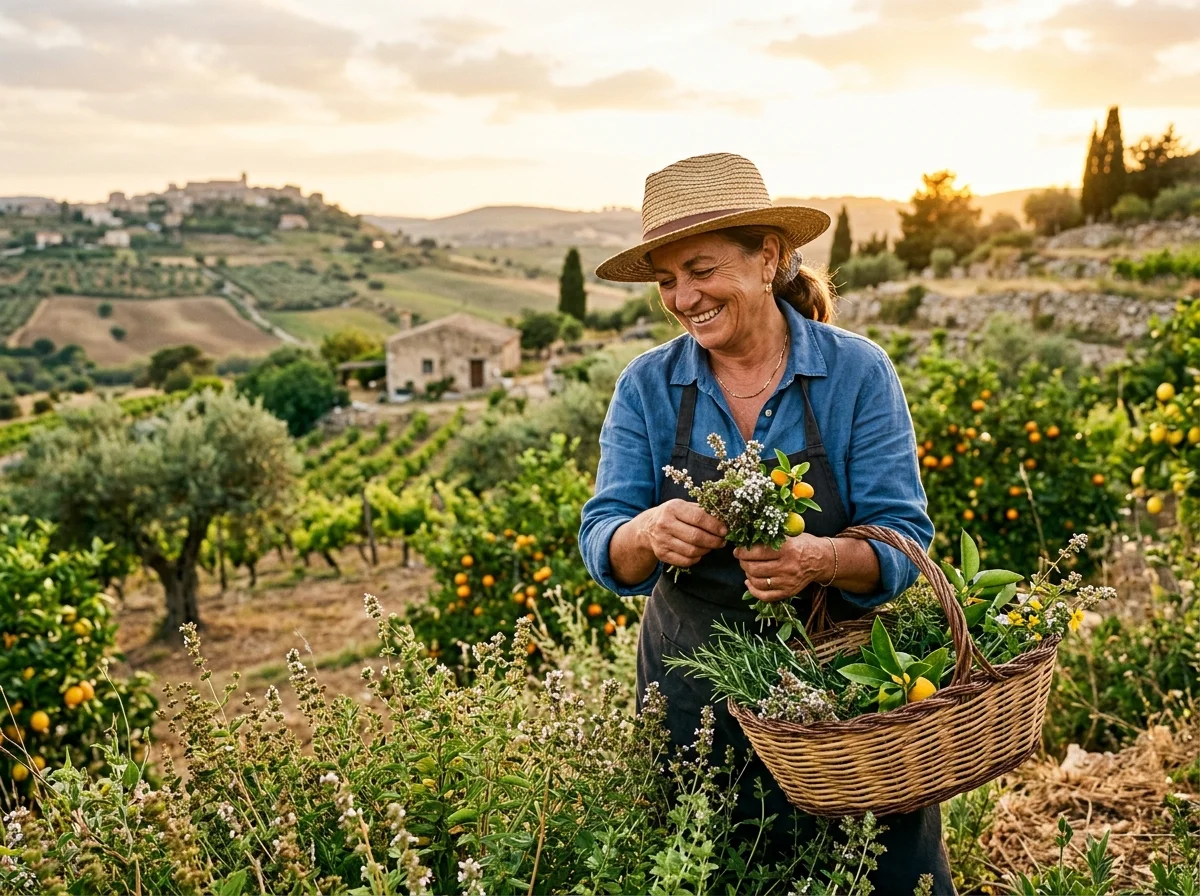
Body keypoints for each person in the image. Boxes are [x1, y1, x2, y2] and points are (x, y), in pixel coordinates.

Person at [578, 153, 950, 894]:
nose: (684, 297)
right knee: (717, 869)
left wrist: (818, 558)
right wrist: (648, 533)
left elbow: (904, 539)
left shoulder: (856, 373)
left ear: (769, 257)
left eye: (702, 270)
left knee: (876, 871)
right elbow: (603, 541)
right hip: (693, 693)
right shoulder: (648, 386)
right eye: (667, 281)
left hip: (846, 689)